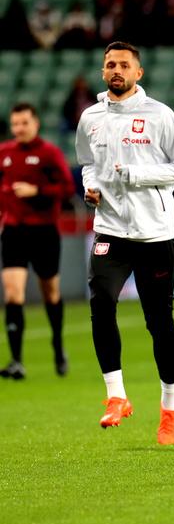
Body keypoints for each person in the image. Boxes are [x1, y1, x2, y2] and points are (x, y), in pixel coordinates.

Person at [75, 41, 174, 445]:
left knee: (159, 323)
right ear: (102, 71)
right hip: (110, 230)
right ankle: (116, 396)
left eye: (124, 65)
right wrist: (91, 188)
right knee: (101, 303)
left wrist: (137, 175)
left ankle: (169, 408)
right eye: (110, 64)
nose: (117, 70)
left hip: (154, 234)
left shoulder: (160, 115)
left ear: (138, 73)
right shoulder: (90, 117)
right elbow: (88, 163)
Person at [0, 103, 75, 380]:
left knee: (50, 293)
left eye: (24, 123)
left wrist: (37, 190)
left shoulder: (49, 153)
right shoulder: (4, 153)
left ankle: (57, 344)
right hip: (13, 231)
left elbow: (67, 188)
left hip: (44, 232)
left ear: (36, 124)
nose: (19, 128)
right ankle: (16, 360)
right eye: (15, 124)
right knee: (13, 294)